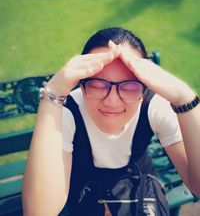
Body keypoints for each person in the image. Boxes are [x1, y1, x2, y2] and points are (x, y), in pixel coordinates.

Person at [22, 27, 200, 216]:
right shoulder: (67, 111)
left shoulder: (153, 105)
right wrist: (54, 92)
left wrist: (185, 98)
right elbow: (38, 212)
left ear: (144, 87)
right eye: (97, 84)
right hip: (84, 184)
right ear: (81, 84)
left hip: (138, 179)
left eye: (130, 85)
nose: (112, 102)